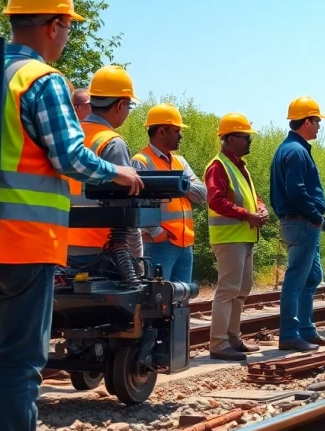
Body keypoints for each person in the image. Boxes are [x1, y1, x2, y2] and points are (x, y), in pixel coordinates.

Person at [0, 0, 143, 431]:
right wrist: (118, 173)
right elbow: (70, 157)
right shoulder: (42, 80)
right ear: (55, 25)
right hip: (23, 243)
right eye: (69, 26)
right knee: (17, 361)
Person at [271, 97, 325, 351]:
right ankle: (289, 335)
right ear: (307, 121)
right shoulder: (296, 151)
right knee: (297, 279)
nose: (319, 126)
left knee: (312, 276)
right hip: (302, 223)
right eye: (317, 121)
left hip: (301, 222)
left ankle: (306, 330)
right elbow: (296, 191)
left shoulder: (293, 149)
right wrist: (316, 216)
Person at [66, 65, 144, 269]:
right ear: (120, 105)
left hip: (62, 242)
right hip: (99, 248)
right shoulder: (112, 142)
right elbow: (123, 206)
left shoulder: (70, 135)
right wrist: (136, 258)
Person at [205, 113, 268, 361]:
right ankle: (219, 343)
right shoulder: (218, 166)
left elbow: (253, 195)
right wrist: (247, 215)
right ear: (231, 138)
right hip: (229, 237)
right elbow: (216, 200)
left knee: (241, 289)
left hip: (243, 236)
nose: (249, 141)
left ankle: (233, 338)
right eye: (245, 137)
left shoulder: (239, 165)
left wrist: (260, 207)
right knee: (228, 290)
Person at [132, 103, 206, 283]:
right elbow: (136, 204)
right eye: (176, 130)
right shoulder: (141, 161)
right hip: (159, 244)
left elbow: (202, 194)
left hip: (184, 243)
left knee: (181, 301)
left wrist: (174, 184)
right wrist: (156, 232)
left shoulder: (180, 162)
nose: (180, 136)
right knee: (156, 301)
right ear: (162, 131)